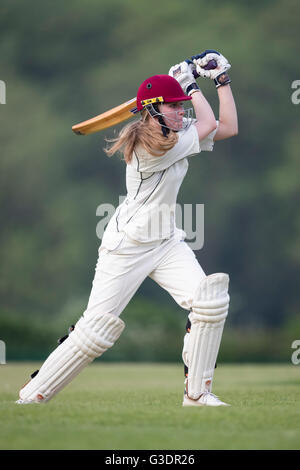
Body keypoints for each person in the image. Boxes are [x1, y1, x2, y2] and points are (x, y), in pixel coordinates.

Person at [17, 50, 238, 407]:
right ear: (152, 110)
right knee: (95, 332)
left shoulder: (177, 135)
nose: (182, 112)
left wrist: (221, 81)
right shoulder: (149, 146)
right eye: (175, 107)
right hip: (127, 246)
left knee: (208, 302)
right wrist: (192, 83)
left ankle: (198, 395)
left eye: (182, 106)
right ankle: (31, 397)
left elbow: (227, 126)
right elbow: (210, 123)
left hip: (166, 242)